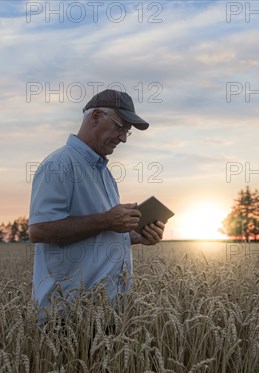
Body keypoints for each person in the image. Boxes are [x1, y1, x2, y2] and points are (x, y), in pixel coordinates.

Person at [28, 89, 166, 320]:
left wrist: (134, 237)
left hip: (106, 315)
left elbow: (99, 233)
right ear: (95, 117)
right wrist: (107, 220)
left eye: (127, 132)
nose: (122, 138)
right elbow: (39, 230)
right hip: (69, 317)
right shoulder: (59, 165)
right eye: (120, 127)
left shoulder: (104, 173)